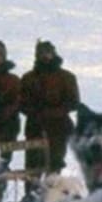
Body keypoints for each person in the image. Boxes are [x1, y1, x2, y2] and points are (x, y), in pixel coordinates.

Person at [19, 39, 80, 175]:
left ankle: (52, 193)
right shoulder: (28, 78)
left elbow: (74, 102)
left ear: (54, 54)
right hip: (35, 126)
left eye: (48, 53)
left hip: (59, 127)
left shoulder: (67, 77)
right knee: (33, 162)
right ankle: (31, 193)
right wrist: (36, 113)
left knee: (55, 162)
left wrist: (54, 113)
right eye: (41, 53)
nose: (45, 56)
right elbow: (22, 103)